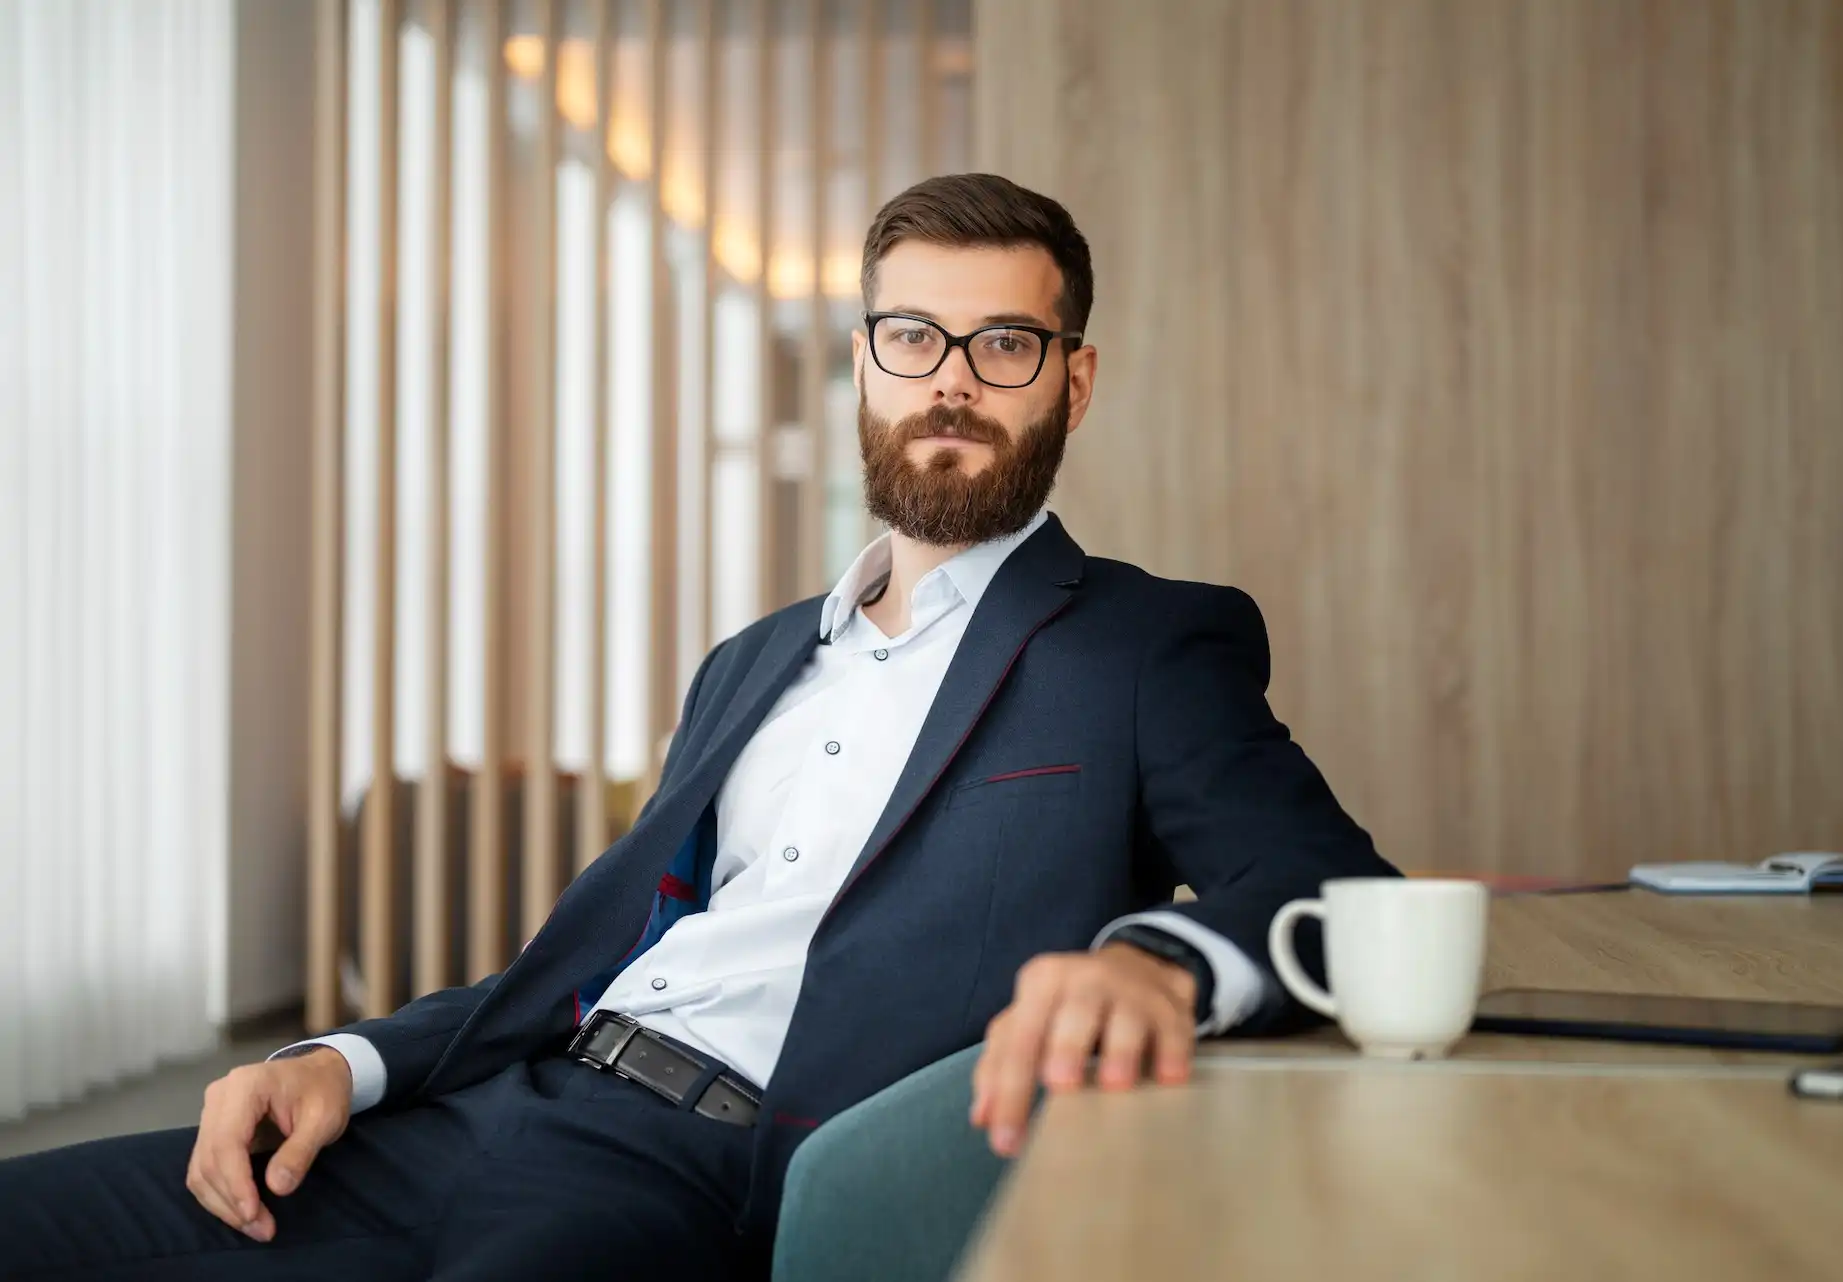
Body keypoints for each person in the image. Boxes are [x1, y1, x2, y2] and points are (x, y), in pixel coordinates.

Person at [0, 172, 1395, 1281]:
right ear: (865, 364)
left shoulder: (1145, 645)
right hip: (509, 1102)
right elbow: (594, 955)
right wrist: (340, 1059)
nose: (951, 380)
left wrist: (1161, 964)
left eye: (1004, 343)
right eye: (912, 336)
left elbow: (1337, 894)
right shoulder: (752, 661)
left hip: (710, 1165)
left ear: (1072, 382)